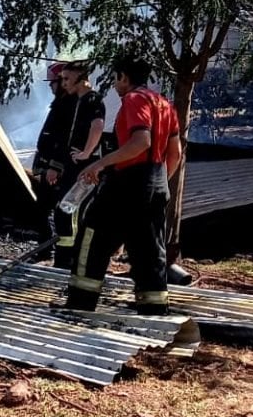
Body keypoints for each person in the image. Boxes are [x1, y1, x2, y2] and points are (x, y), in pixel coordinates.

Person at [68, 57, 184, 315]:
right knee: (149, 249)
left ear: (124, 77)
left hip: (128, 184)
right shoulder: (165, 104)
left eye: (116, 78)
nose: (115, 84)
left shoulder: (134, 100)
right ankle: (153, 309)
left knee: (93, 236)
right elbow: (175, 153)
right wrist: (159, 182)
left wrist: (98, 165)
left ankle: (80, 304)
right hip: (157, 183)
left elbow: (140, 141)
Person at [50, 62, 107, 270]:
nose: (64, 83)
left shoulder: (93, 99)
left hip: (83, 169)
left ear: (81, 78)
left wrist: (86, 153)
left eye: (67, 79)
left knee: (69, 210)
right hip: (72, 166)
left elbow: (97, 126)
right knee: (64, 210)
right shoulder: (77, 101)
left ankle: (69, 260)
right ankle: (64, 259)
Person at [31, 62, 74, 242]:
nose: (50, 85)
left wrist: (54, 166)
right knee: (42, 209)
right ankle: (47, 248)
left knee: (50, 210)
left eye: (53, 82)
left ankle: (51, 250)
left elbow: (63, 139)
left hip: (55, 170)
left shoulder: (68, 105)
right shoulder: (60, 104)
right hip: (48, 167)